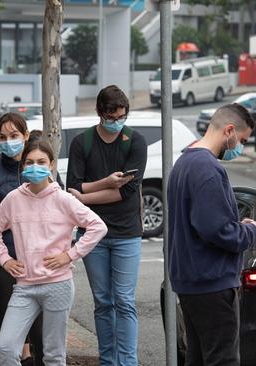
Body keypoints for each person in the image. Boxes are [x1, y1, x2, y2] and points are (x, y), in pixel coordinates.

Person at [0, 140, 107, 366]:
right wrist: (5, 259)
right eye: (29, 162)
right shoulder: (13, 199)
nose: (35, 166)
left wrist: (70, 255)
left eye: (41, 162)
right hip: (24, 286)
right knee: (5, 347)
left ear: (51, 164)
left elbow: (97, 226)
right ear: (22, 166)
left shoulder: (63, 199)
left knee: (53, 354)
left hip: (57, 285)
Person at [167, 103, 256, 365]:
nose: (241, 147)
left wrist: (237, 224)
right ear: (230, 130)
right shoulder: (208, 168)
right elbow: (217, 230)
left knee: (199, 358)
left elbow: (203, 220)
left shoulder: (185, 162)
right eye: (243, 140)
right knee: (222, 360)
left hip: (191, 281)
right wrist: (249, 230)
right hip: (212, 282)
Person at [65, 85, 147, 366]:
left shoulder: (135, 142)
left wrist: (87, 195)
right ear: (101, 113)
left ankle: (128, 362)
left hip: (126, 233)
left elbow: (125, 191)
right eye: (112, 117)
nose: (117, 122)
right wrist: (106, 183)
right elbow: (71, 188)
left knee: (124, 300)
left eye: (122, 116)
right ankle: (108, 361)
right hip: (92, 234)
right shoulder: (82, 142)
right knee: (103, 301)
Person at [0, 112, 44, 366]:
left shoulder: (39, 167)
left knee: (40, 333)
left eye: (15, 136)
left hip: (38, 263)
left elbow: (57, 208)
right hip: (2, 262)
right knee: (5, 333)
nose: (9, 141)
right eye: (3, 137)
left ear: (26, 136)